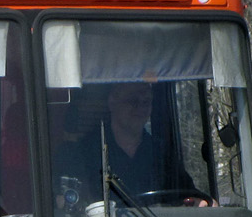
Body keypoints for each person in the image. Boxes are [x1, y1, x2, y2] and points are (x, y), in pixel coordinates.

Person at [65, 82, 202, 203]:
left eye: (146, 102)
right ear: (112, 101)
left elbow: (188, 196)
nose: (141, 108)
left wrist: (203, 203)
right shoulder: (84, 153)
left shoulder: (161, 154)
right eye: (133, 101)